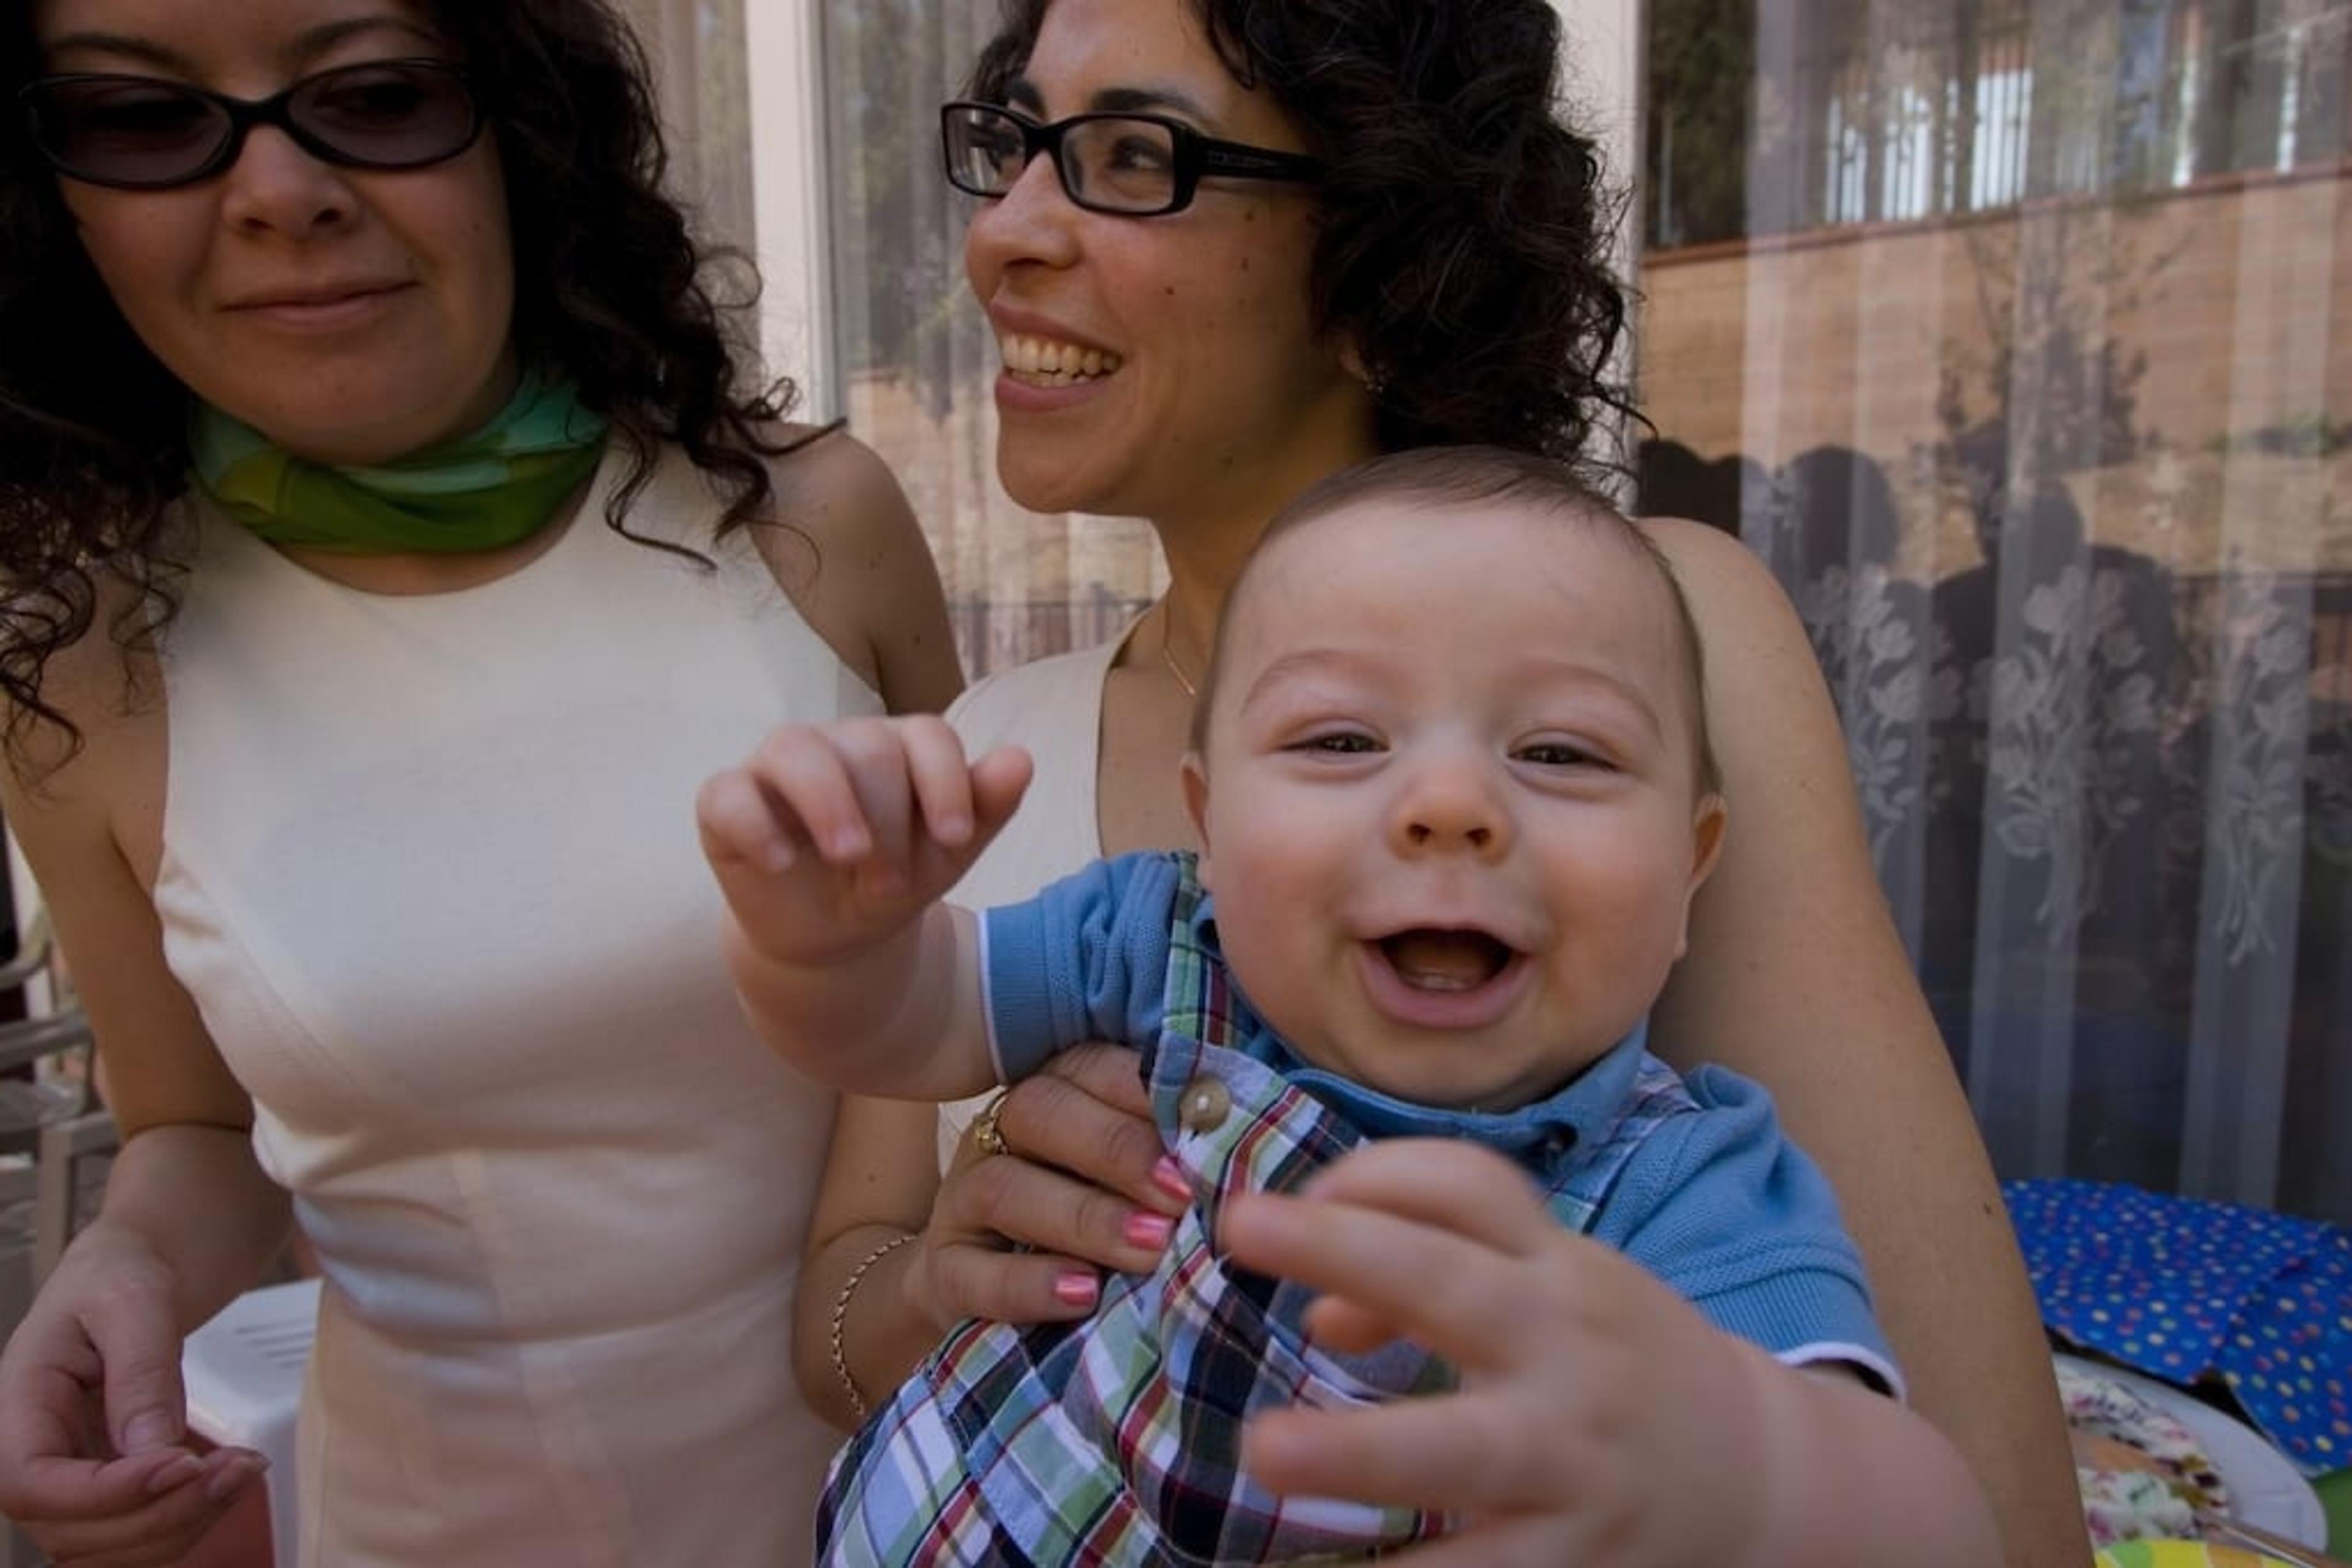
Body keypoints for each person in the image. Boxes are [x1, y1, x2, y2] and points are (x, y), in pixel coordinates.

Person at [794, 1, 2090, 1564]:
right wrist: (949, 1273)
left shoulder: (1660, 643)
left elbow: (1979, 1499)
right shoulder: (993, 732)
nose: (1002, 231)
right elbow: (835, 1311)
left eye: (1132, 155)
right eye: (1013, 143)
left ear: (1382, 259)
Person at [0, 2, 959, 1564]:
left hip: (910, 1504)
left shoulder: (811, 526)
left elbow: (996, 997)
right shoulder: (83, 668)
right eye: (141, 120)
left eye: (374, 94)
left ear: (522, 130)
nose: (278, 191)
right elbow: (195, 1129)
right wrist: (125, 1270)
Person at [706, 448, 2002, 1565]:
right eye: (1340, 740)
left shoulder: (1684, 1190)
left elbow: (1936, 1522)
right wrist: (832, 939)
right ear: (1210, 824)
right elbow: (907, 1018)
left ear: (1689, 873)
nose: (1449, 803)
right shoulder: (1155, 943)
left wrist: (1753, 1453)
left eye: (1561, 751)